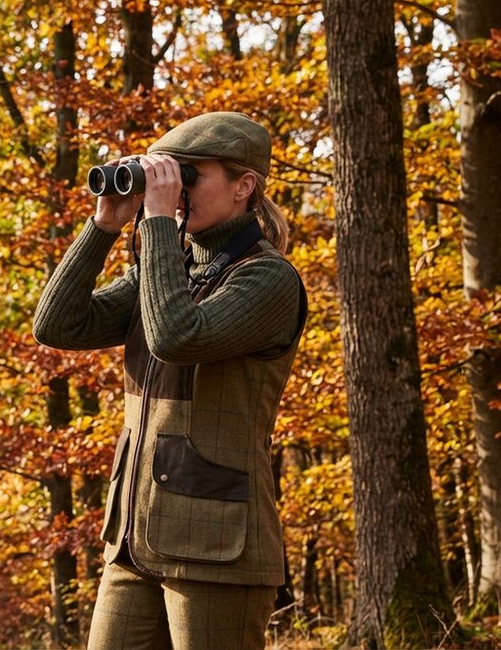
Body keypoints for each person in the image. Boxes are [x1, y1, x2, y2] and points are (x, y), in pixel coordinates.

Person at [33, 112, 307, 649]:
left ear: (243, 186)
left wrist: (157, 223)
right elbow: (58, 325)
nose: (172, 190)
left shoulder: (267, 278)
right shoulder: (168, 267)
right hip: (135, 539)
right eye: (164, 176)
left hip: (216, 548)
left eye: (188, 176)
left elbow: (176, 338)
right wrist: (104, 226)